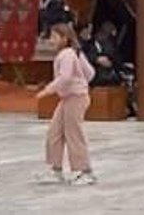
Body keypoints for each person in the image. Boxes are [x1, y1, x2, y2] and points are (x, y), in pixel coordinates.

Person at [35, 23, 98, 186]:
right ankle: (55, 169)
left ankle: (84, 171)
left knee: (73, 134)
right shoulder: (74, 53)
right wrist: (81, 82)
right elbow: (90, 73)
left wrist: (47, 90)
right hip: (70, 97)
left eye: (55, 37)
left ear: (65, 38)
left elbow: (65, 78)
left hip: (75, 98)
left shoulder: (67, 54)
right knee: (54, 132)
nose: (51, 40)